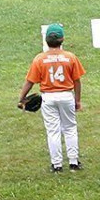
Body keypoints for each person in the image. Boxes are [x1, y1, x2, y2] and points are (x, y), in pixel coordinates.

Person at [18, 24, 86, 172]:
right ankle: (74, 162)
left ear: (46, 40)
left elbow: (30, 81)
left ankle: (57, 165)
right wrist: (78, 100)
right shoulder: (70, 57)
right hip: (66, 95)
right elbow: (77, 81)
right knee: (70, 128)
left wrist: (21, 97)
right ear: (63, 39)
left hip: (48, 97)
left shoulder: (39, 59)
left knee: (53, 131)